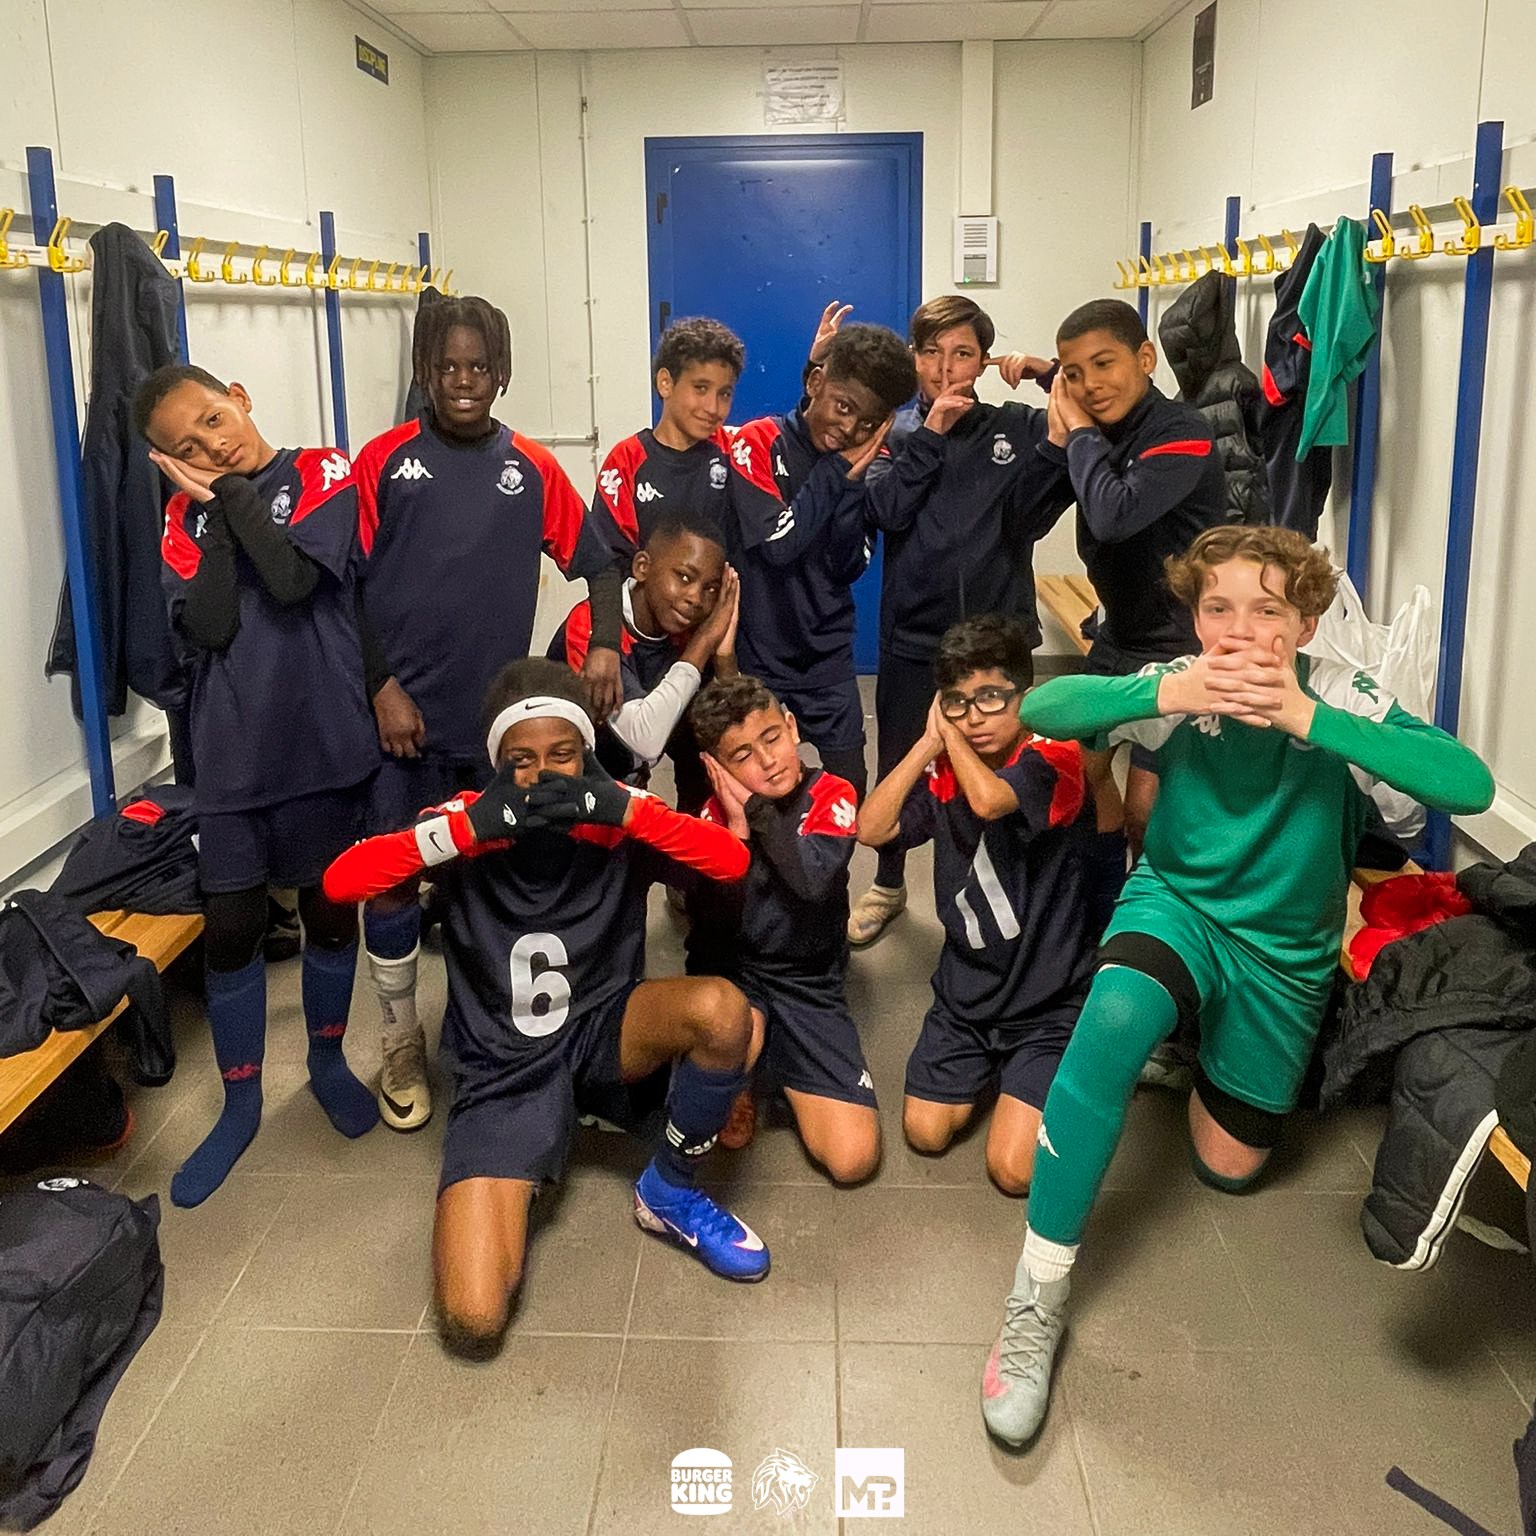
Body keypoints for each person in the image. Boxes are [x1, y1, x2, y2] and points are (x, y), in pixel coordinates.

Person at [977, 525, 1496, 1447]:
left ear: (1305, 624)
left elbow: (1468, 784)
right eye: (1219, 608)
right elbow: (1047, 707)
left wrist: (1308, 718)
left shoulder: (1342, 692)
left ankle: (1196, 1043)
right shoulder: (1183, 682)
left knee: (1229, 1171)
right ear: (1197, 617)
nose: (1242, 630)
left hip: (1282, 957)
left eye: (1267, 610)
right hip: (1177, 904)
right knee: (1115, 1013)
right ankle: (1035, 1296)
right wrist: (1168, 690)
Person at [323, 658, 772, 1356]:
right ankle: (534, 1144)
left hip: (605, 1031)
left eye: (562, 753)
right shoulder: (463, 821)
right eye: (521, 759)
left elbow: (730, 863)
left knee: (727, 1015)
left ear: (586, 751)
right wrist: (472, 828)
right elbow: (342, 881)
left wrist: (619, 807)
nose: (542, 773)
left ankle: (669, 1190)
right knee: (473, 1318)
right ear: (497, 763)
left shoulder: (617, 811)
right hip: (502, 1065)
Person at [351, 295, 619, 1133]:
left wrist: (606, 646)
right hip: (401, 724)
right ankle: (400, 1038)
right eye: (448, 366)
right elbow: (344, 585)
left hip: (495, 734)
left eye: (478, 367)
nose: (463, 381)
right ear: (425, 372)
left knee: (487, 887)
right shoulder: (383, 461)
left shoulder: (532, 468)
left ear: (501, 374)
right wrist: (381, 687)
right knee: (393, 882)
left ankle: (489, 1035)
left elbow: (602, 564)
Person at [137, 363, 379, 1206]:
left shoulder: (321, 471)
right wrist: (210, 515)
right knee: (233, 926)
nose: (208, 444)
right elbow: (208, 625)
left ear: (239, 397)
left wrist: (228, 500)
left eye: (212, 419)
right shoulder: (180, 520)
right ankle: (241, 1102)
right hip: (234, 757)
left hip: (326, 743)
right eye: (185, 445)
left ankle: (326, 1061)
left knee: (327, 910)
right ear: (169, 462)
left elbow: (293, 580)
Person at [850, 295, 1069, 946]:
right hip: (914, 639)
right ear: (914, 359)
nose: (947, 368)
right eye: (932, 353)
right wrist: (932, 434)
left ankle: (1009, 888)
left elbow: (1086, 413)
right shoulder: (891, 435)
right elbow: (884, 511)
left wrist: (1045, 372)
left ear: (984, 361)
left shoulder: (1015, 427)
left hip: (1001, 640)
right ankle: (888, 884)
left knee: (1006, 767)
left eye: (963, 353)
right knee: (901, 762)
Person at [857, 615, 1092, 1195]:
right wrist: (927, 744)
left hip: (1047, 997)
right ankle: (1000, 1074)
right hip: (968, 991)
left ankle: (1045, 1070)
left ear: (1024, 695)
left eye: (991, 697)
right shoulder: (945, 766)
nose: (974, 717)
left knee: (1013, 1171)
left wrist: (952, 738)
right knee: (924, 1132)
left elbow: (990, 802)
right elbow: (871, 828)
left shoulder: (1054, 756)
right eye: (957, 702)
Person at [1050, 297, 1227, 855]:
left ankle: (1152, 899)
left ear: (1146, 359)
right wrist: (1043, 374)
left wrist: (1079, 432)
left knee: (1145, 814)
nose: (1090, 385)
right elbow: (1081, 390)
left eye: (1105, 364)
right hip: (1118, 634)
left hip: (1180, 647)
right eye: (1074, 374)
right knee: (1078, 777)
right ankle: (1104, 889)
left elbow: (1113, 516)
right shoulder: (1108, 421)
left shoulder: (1183, 430)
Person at [685, 675, 878, 1183]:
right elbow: (711, 928)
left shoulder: (832, 793)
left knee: (853, 1159)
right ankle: (746, 1065)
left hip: (808, 979)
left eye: (771, 738)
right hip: (736, 973)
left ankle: (766, 1068)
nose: (768, 760)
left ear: (792, 727)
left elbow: (812, 882)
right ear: (716, 768)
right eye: (743, 755)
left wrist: (755, 813)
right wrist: (735, 836)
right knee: (716, 1098)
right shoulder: (709, 817)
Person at [722, 323, 918, 802]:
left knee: (849, 789)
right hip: (758, 658)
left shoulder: (864, 466)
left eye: (868, 423)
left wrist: (851, 489)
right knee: (756, 795)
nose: (850, 429)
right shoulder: (758, 441)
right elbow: (777, 544)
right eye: (843, 407)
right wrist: (837, 474)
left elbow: (848, 566)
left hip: (827, 661)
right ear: (814, 383)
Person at [548, 512, 740, 784]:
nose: (696, 598)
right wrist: (705, 640)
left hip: (628, 790)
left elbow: (736, 734)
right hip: (570, 792)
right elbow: (644, 740)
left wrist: (724, 657)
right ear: (642, 567)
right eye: (684, 577)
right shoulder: (593, 626)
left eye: (711, 589)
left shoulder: (686, 633)